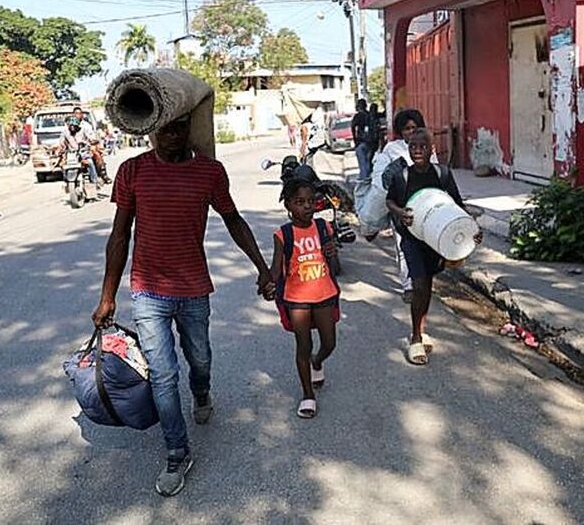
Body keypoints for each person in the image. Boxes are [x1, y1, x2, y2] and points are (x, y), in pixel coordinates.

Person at [91, 111, 275, 497]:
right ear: (151, 128)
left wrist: (262, 267)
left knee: (201, 358)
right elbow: (119, 235)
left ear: (190, 129)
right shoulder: (132, 171)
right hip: (148, 291)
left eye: (179, 126)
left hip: (193, 289)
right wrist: (107, 295)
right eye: (163, 127)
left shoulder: (210, 172)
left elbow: (233, 220)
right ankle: (177, 451)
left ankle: (203, 392)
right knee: (162, 374)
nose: (171, 134)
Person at [386, 128, 481, 365]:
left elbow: (457, 205)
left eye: (422, 147)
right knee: (418, 284)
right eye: (413, 147)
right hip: (412, 238)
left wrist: (472, 230)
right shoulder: (402, 176)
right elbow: (390, 200)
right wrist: (400, 212)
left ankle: (422, 327)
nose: (417, 150)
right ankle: (416, 338)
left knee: (427, 284)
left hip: (436, 239)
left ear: (432, 149)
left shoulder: (443, 174)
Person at [269, 177, 340, 419]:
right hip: (297, 298)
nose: (307, 207)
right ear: (288, 205)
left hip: (323, 294)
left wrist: (331, 252)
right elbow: (276, 269)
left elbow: (330, 257)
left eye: (311, 201)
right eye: (300, 202)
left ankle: (317, 361)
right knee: (303, 345)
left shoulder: (323, 227)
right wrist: (267, 282)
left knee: (329, 342)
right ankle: (308, 395)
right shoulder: (283, 234)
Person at [375, 109, 437, 302]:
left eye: (414, 127)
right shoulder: (392, 149)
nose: (410, 132)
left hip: (425, 205)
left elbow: (435, 171)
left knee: (425, 244)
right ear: (400, 131)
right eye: (407, 128)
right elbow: (383, 177)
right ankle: (408, 285)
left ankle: (422, 279)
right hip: (401, 206)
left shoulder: (428, 147)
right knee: (403, 247)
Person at [65, 107, 111, 183]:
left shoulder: (86, 126)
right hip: (72, 150)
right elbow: (63, 139)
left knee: (95, 153)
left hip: (85, 148)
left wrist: (91, 142)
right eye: (75, 113)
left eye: (79, 113)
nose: (77, 115)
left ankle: (102, 175)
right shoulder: (67, 127)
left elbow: (91, 137)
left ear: (82, 115)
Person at [56, 116, 99, 187]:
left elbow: (91, 138)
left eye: (74, 126)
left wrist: (91, 141)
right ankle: (66, 180)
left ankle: (94, 182)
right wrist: (59, 151)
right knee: (62, 166)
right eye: (71, 126)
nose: (72, 128)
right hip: (71, 155)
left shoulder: (83, 130)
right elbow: (61, 143)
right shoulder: (65, 132)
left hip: (83, 152)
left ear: (77, 126)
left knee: (90, 163)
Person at [351, 99, 373, 181]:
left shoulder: (358, 116)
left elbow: (353, 127)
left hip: (360, 142)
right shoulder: (370, 115)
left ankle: (364, 180)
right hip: (370, 142)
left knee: (362, 163)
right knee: (368, 162)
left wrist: (355, 140)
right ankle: (368, 178)